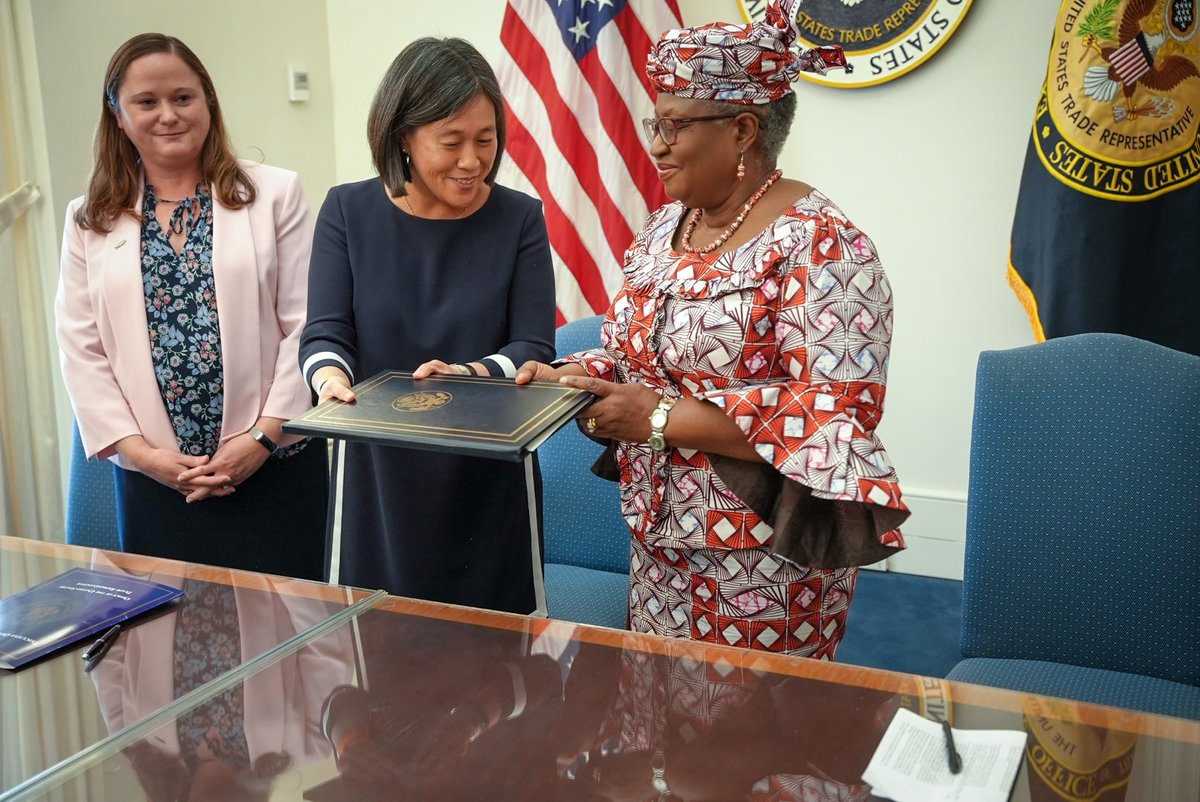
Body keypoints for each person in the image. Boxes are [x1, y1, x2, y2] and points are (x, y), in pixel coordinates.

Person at [516, 0, 909, 658]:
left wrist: (662, 420)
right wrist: (581, 377)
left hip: (764, 562)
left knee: (750, 748)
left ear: (743, 131)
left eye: (675, 126)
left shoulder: (823, 247)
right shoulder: (666, 232)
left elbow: (836, 416)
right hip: (658, 548)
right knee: (667, 731)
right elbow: (643, 360)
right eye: (653, 122)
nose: (655, 145)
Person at [55, 33, 325, 579]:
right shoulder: (90, 219)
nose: (168, 115)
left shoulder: (274, 194)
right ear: (118, 116)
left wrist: (261, 439)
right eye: (146, 102)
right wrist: (145, 456)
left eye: (183, 97)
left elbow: (308, 327)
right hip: (157, 482)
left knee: (287, 650)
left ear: (208, 102)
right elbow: (80, 348)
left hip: (274, 468)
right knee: (162, 648)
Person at [299, 38, 555, 612]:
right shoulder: (347, 211)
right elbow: (325, 333)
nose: (471, 161)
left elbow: (535, 344)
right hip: (378, 478)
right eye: (452, 142)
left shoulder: (520, 218)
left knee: (499, 675)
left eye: (485, 141)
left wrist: (464, 374)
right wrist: (330, 380)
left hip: (488, 473)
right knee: (379, 662)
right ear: (402, 139)